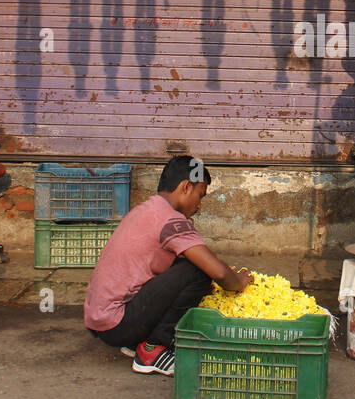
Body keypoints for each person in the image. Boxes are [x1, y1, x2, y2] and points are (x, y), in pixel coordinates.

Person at [84, 155, 253, 376]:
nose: (199, 206)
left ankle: (136, 341)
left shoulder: (146, 210)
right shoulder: (171, 220)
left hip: (101, 321)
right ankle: (153, 349)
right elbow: (218, 271)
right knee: (198, 270)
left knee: (187, 262)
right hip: (117, 323)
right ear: (185, 187)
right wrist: (238, 282)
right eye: (199, 196)